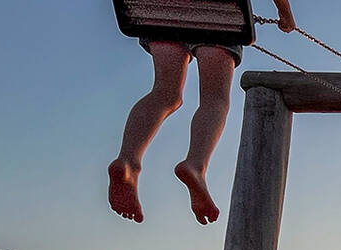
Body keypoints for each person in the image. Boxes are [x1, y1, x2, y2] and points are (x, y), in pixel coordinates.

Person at [107, 0, 297, 225]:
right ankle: (195, 164)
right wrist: (285, 14)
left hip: (158, 11)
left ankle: (128, 160)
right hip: (218, 13)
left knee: (164, 94)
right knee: (214, 98)